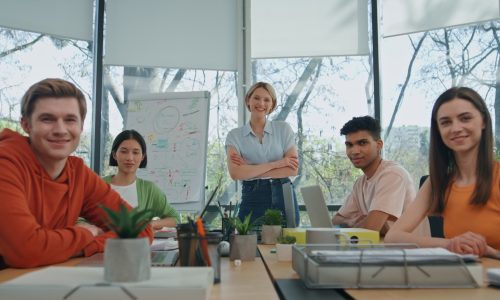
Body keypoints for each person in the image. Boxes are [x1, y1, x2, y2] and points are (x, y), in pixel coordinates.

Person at [0, 78, 153, 268]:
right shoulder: (6, 163)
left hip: (41, 278)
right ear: (26, 125)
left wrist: (85, 245)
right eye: (47, 119)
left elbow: (141, 231)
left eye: (70, 120)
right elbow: (25, 250)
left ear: (81, 127)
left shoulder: (78, 173)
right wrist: (85, 233)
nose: (60, 130)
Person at [385, 87, 500, 257]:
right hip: (462, 276)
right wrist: (450, 244)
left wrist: (491, 252)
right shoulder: (438, 182)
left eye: (465, 118)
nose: (456, 128)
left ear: (483, 121)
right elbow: (393, 237)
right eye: (446, 122)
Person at [332, 116, 430, 236]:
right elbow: (335, 220)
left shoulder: (392, 174)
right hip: (380, 247)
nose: (354, 151)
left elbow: (370, 229)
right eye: (349, 145)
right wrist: (355, 221)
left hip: (409, 252)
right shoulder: (360, 183)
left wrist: (366, 222)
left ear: (379, 145)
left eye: (362, 143)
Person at [225, 82, 300, 225]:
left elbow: (292, 169)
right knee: (249, 242)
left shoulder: (283, 129)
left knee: (287, 242)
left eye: (267, 100)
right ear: (248, 100)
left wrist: (251, 171)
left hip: (283, 192)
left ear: (272, 105)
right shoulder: (234, 136)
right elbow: (236, 174)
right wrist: (277, 164)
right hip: (252, 195)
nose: (261, 103)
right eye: (256, 98)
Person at [103, 129, 180, 230]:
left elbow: (175, 219)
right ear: (114, 155)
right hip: (103, 244)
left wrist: (152, 224)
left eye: (135, 152)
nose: (130, 158)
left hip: (139, 245)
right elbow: (80, 219)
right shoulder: (99, 184)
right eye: (124, 151)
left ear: (142, 156)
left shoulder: (149, 189)